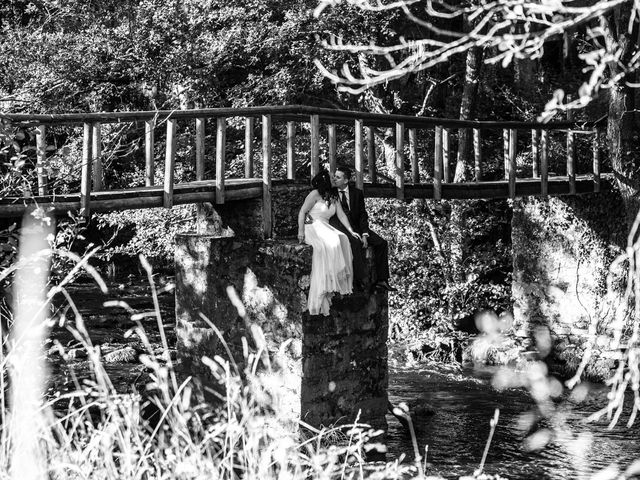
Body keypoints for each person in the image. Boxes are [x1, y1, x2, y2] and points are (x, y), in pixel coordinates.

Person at [298, 169, 362, 316]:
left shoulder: (333, 196)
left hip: (325, 226)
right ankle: (330, 279)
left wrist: (351, 230)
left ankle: (335, 278)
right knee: (333, 242)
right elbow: (302, 212)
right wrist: (300, 231)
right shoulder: (314, 194)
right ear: (325, 181)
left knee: (343, 239)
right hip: (312, 227)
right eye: (332, 178)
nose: (334, 179)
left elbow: (341, 215)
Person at [330, 165, 397, 292]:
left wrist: (365, 233)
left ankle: (382, 280)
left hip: (359, 227)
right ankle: (358, 280)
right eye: (334, 177)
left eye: (338, 177)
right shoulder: (331, 193)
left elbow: (362, 214)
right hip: (341, 228)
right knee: (355, 243)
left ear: (345, 180)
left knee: (382, 243)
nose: (334, 179)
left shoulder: (357, 193)